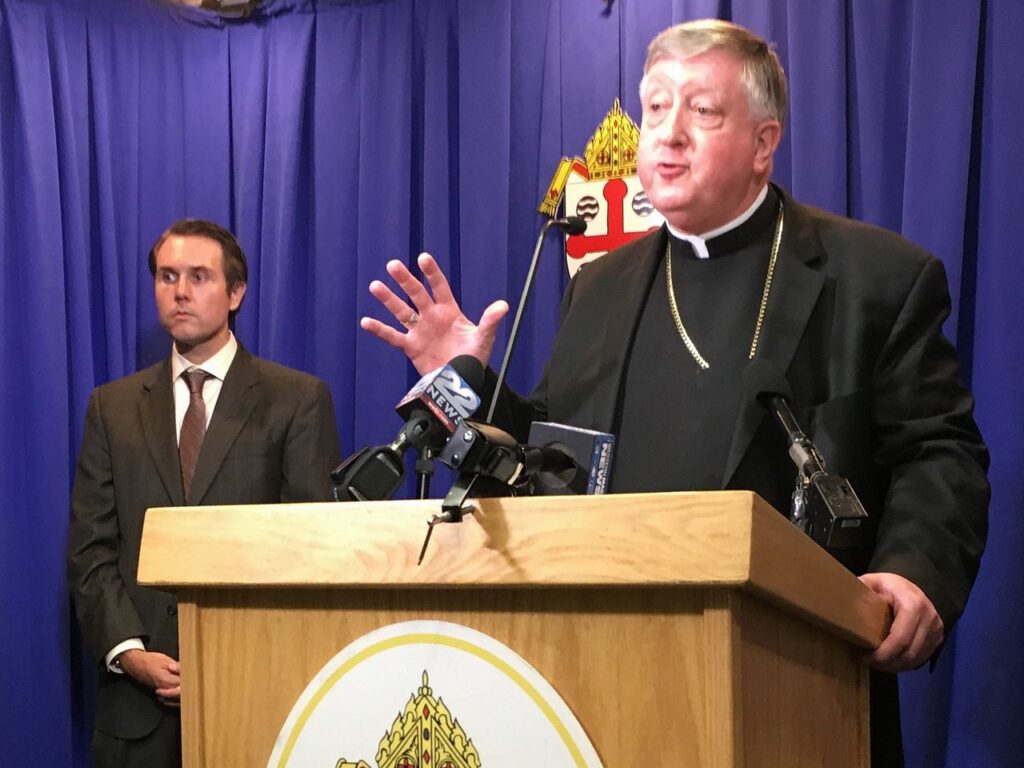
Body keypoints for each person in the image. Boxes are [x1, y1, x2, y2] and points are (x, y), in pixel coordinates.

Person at [360, 19, 989, 766]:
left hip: (796, 680)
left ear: (763, 142)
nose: (668, 134)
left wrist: (914, 572)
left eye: (702, 111)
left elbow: (937, 452)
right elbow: (547, 465)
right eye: (656, 108)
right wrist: (459, 381)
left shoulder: (876, 277)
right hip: (598, 676)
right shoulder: (600, 285)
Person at [67, 219, 341, 767]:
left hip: (256, 695)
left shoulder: (296, 400)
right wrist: (130, 653)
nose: (181, 291)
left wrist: (222, 658)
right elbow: (90, 550)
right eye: (167, 276)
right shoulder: (111, 408)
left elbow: (307, 552)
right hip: (135, 712)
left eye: (199, 276)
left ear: (236, 293)